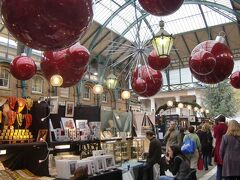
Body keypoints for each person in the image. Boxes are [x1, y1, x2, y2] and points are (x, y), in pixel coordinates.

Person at [213, 114, 228, 180]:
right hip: (227, 148)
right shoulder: (228, 127)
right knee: (227, 167)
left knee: (219, 166)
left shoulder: (216, 127)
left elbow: (215, 137)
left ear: (219, 120)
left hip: (218, 147)